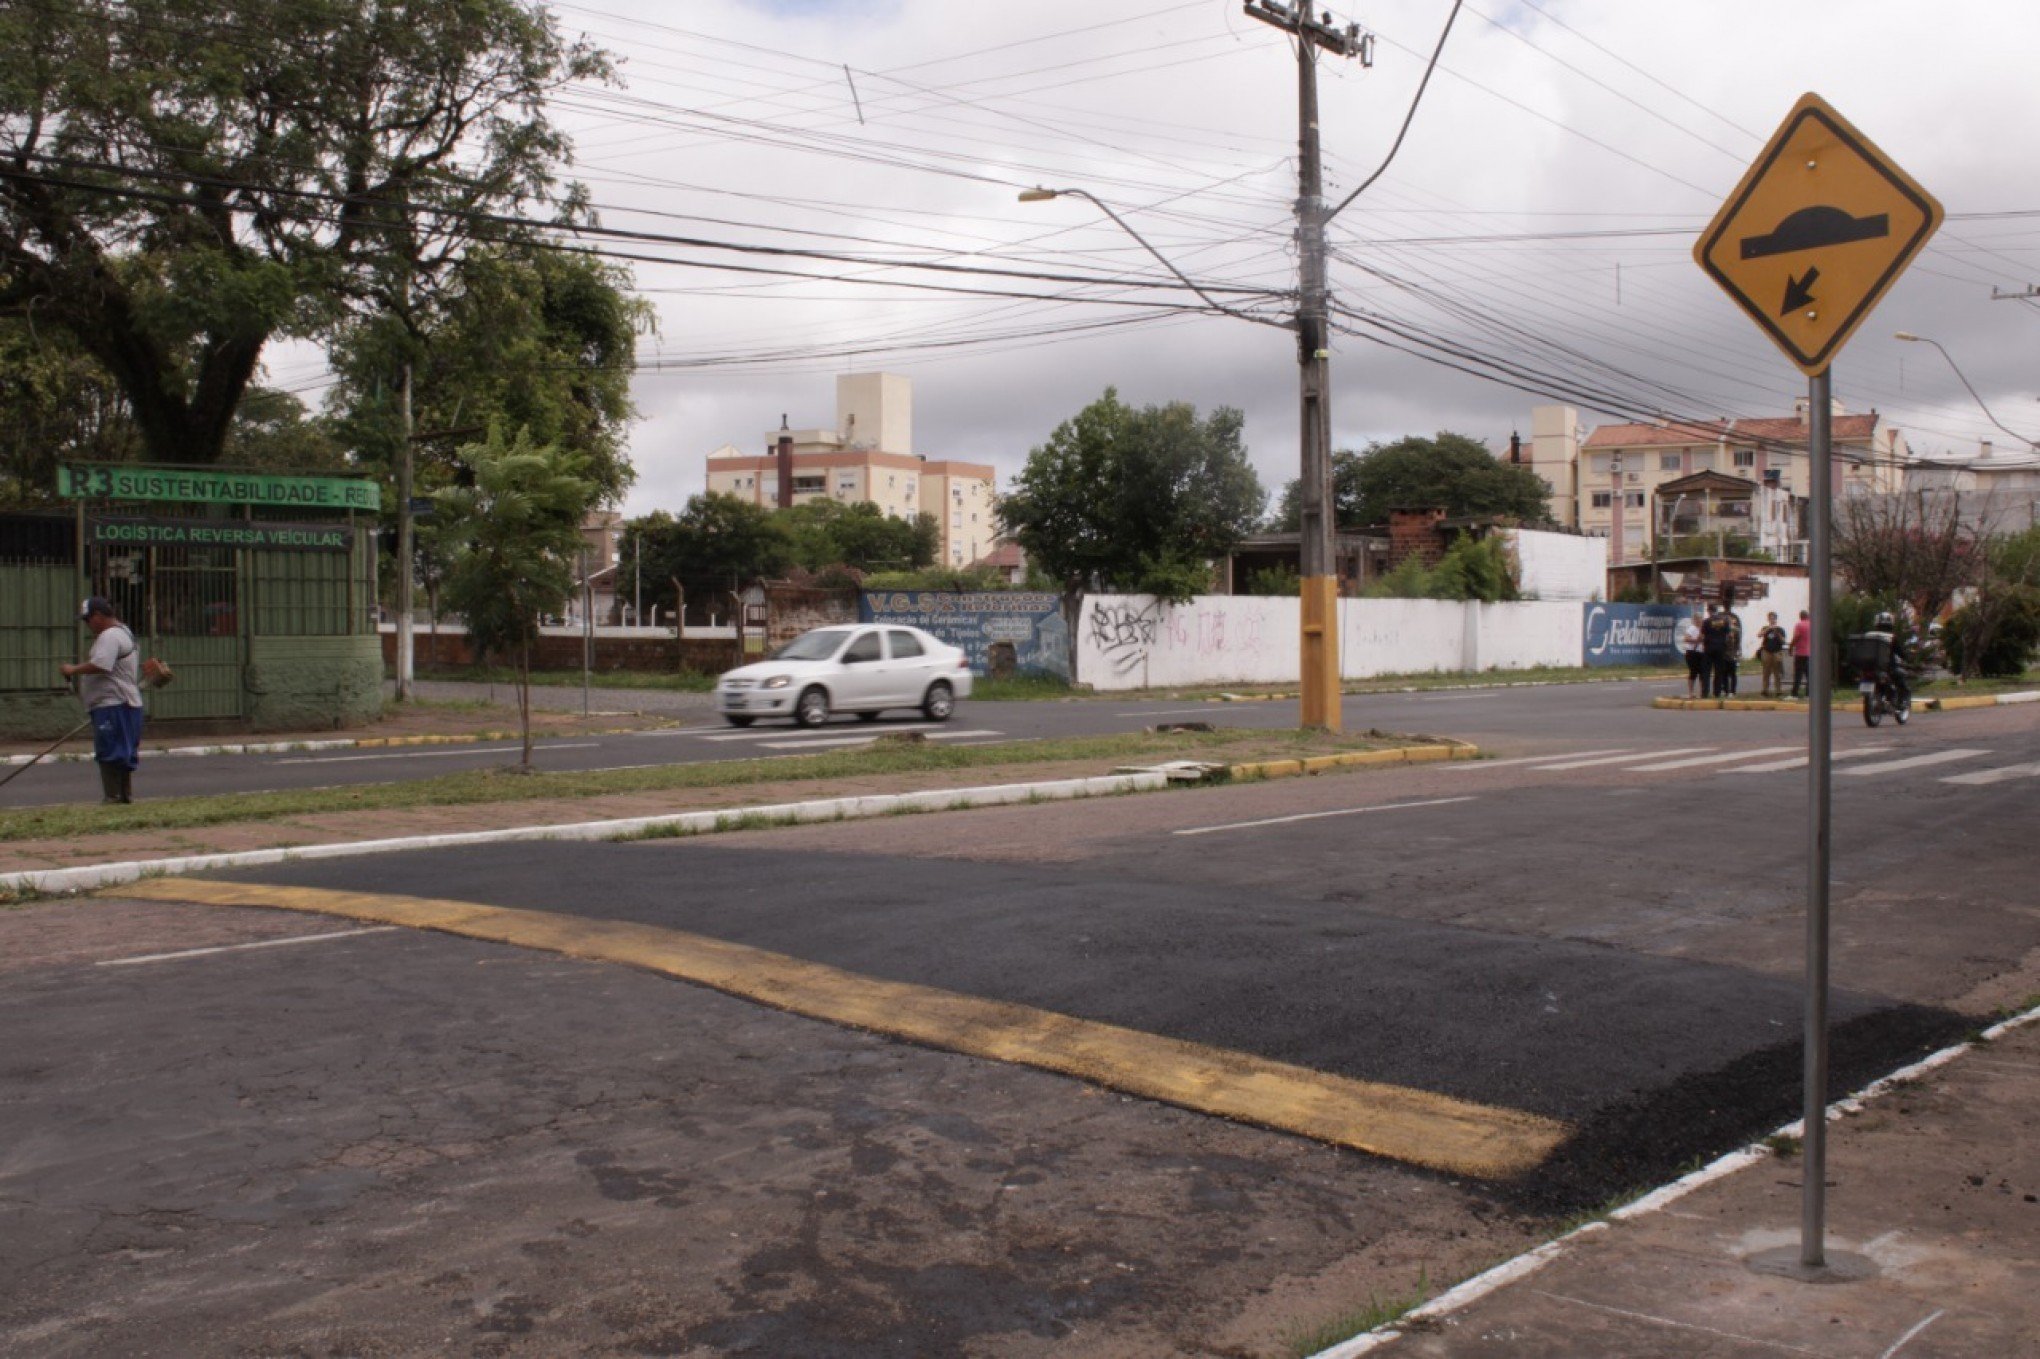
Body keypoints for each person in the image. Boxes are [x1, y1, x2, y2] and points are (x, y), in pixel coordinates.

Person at [59, 597, 143, 804]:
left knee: (110, 750)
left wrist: (73, 669)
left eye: (88, 620)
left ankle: (113, 796)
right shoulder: (124, 631)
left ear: (98, 616)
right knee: (122, 750)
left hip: (113, 703)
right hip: (122, 703)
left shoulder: (110, 636)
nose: (87, 625)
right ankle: (124, 795)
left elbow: (102, 664)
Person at [1866, 610, 1912, 710]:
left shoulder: (1870, 635)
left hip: (1870, 666)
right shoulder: (1892, 637)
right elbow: (1900, 652)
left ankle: (1888, 698)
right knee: (1901, 676)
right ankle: (1902, 701)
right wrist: (1908, 659)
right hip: (1888, 667)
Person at [1699, 603, 1730, 698]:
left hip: (1709, 648)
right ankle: (1717, 692)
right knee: (1719, 671)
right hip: (1721, 648)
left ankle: (1705, 693)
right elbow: (1728, 634)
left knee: (1706, 671)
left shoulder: (1706, 621)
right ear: (1716, 610)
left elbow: (1702, 635)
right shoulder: (1725, 621)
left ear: (1709, 611)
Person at [1755, 611, 1788, 697]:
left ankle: (1778, 691)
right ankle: (1765, 690)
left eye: (1773, 618)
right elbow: (1759, 635)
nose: (1772, 620)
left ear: (1776, 619)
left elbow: (1784, 641)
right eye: (1770, 618)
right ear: (1768, 619)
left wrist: (1777, 633)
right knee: (1766, 672)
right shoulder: (1765, 628)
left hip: (1776, 652)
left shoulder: (1780, 629)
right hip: (1766, 651)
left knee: (1777, 672)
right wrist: (1768, 629)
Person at [1678, 607, 1706, 697]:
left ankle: (1702, 692)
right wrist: (1696, 640)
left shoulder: (1704, 629)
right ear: (1694, 620)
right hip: (1692, 652)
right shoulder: (1691, 628)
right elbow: (1686, 638)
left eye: (1700, 619)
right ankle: (1691, 692)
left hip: (1702, 652)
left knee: (1702, 672)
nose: (1699, 621)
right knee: (1693, 672)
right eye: (1697, 619)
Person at [1789, 609, 1812, 697]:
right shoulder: (1812, 624)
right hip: (1810, 653)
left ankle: (1795, 693)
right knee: (1809, 674)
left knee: (1798, 674)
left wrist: (1791, 647)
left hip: (1801, 653)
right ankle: (1809, 693)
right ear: (1808, 616)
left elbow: (1797, 637)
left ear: (1800, 616)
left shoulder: (1799, 625)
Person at [1722, 608, 1744, 696]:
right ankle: (1726, 690)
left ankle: (1733, 691)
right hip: (1724, 654)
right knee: (1725, 673)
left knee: (1733, 673)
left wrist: (1738, 653)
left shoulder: (1736, 630)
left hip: (1733, 653)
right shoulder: (1723, 630)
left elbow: (1738, 642)